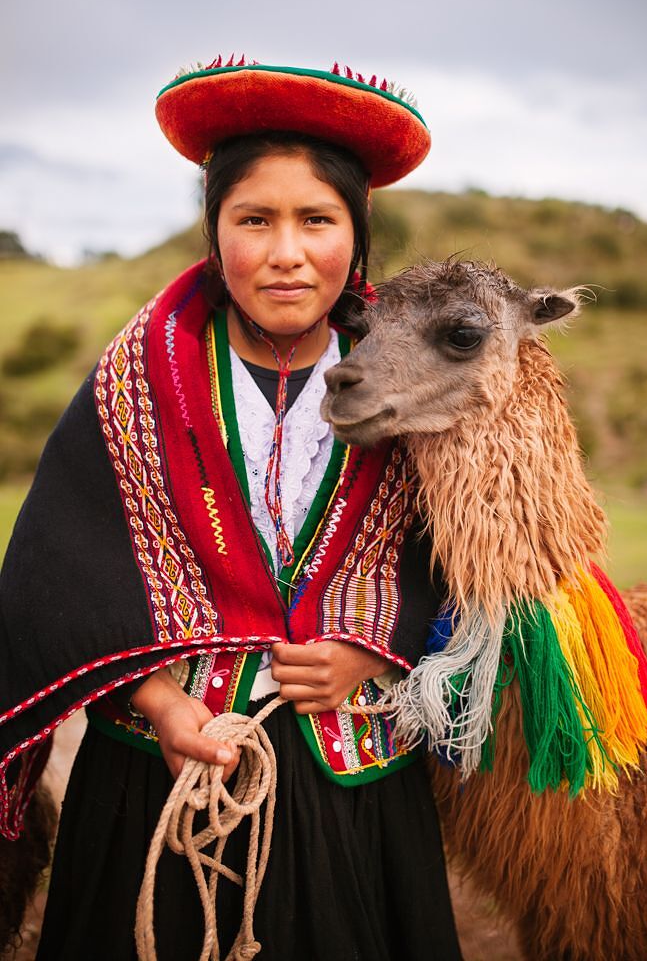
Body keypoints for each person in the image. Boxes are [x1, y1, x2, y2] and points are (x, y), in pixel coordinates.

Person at [0, 57, 462, 960]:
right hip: (158, 780)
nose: (286, 253)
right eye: (255, 219)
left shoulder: (425, 395)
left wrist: (369, 650)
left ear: (357, 238)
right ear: (215, 234)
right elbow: (61, 572)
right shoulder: (136, 382)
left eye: (317, 221)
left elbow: (453, 565)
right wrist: (163, 704)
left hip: (354, 787)